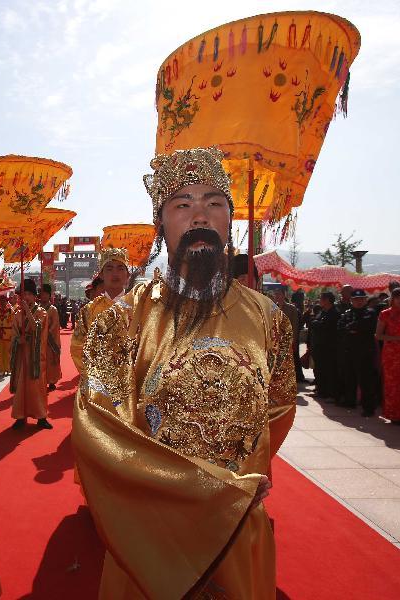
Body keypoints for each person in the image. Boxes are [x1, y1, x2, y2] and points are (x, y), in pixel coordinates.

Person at [73, 146, 296, 599]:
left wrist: (241, 481)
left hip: (236, 523)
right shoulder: (123, 319)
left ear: (229, 221)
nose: (200, 215)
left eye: (214, 203)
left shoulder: (269, 318)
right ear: (161, 226)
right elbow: (97, 422)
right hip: (151, 531)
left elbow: (280, 405)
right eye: (182, 204)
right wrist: (189, 490)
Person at [70, 249, 130, 375]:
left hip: (131, 382)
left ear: (127, 275)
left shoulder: (137, 307)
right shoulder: (89, 310)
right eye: (109, 268)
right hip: (97, 384)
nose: (115, 273)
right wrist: (94, 377)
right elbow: (77, 347)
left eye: (120, 268)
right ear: (101, 275)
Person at [10, 279, 52, 430]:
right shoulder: (17, 314)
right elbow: (14, 334)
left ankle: (41, 417)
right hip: (23, 356)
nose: (26, 297)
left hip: (35, 355)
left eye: (29, 294)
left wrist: (27, 310)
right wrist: (17, 340)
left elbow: (37, 329)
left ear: (35, 296)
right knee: (22, 387)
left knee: (37, 386)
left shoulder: (42, 312)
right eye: (24, 294)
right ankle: (20, 417)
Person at [337, 289, 381, 416]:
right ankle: (350, 401)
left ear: (365, 300)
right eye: (356, 300)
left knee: (366, 381)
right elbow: (340, 328)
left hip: (365, 352)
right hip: (349, 350)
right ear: (351, 301)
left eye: (361, 299)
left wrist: (352, 328)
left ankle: (368, 408)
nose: (359, 302)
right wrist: (353, 328)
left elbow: (367, 325)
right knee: (349, 377)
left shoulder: (371, 313)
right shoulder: (347, 313)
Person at [375, 288, 400, 424]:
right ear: (392, 299)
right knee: (392, 383)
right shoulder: (385, 314)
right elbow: (378, 335)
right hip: (392, 353)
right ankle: (393, 414)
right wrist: (397, 338)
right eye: (399, 298)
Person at [271, 287, 306, 383]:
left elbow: (295, 325)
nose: (277, 296)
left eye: (279, 294)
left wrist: (293, 340)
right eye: (276, 294)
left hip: (287, 338)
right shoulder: (273, 308)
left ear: (284, 295)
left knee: (289, 361)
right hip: (277, 339)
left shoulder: (291, 308)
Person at [310, 291, 341, 401]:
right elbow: (314, 323)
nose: (320, 301)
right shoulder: (322, 312)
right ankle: (321, 390)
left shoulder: (335, 313)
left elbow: (325, 326)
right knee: (320, 370)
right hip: (319, 346)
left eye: (321, 299)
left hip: (329, 347)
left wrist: (317, 324)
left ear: (327, 300)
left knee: (330, 371)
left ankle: (331, 393)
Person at [39, 284, 62, 391]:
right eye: (41, 293)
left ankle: (52, 381)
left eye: (45, 294)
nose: (43, 296)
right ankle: (40, 380)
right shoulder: (36, 308)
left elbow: (55, 326)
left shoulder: (53, 309)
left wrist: (45, 333)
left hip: (49, 340)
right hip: (38, 339)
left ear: (49, 296)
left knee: (50, 360)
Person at [0, 295, 14, 376]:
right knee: (0, 353)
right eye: (1, 300)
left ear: (6, 301)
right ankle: (1, 369)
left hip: (8, 333)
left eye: (4, 300)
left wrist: (13, 334)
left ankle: (8, 369)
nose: (2, 302)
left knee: (8, 352)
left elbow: (13, 322)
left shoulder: (10, 311)